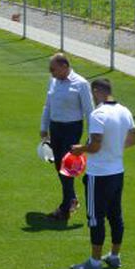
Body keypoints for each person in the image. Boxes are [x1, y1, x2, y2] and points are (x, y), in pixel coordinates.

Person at [67, 77, 135, 269]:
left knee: (95, 218)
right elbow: (133, 139)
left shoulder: (98, 114)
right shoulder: (125, 111)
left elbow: (95, 145)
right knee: (115, 215)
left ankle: (95, 262)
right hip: (117, 171)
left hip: (98, 175)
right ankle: (114, 256)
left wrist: (80, 149)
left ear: (97, 91)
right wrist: (115, 149)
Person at [39, 52, 94, 220]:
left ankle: (65, 208)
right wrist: (44, 127)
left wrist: (92, 136)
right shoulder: (53, 81)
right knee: (58, 166)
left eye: (53, 69)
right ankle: (72, 199)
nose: (51, 73)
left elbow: (89, 111)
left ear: (64, 66)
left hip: (72, 128)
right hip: (56, 127)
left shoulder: (81, 84)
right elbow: (47, 106)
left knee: (66, 167)